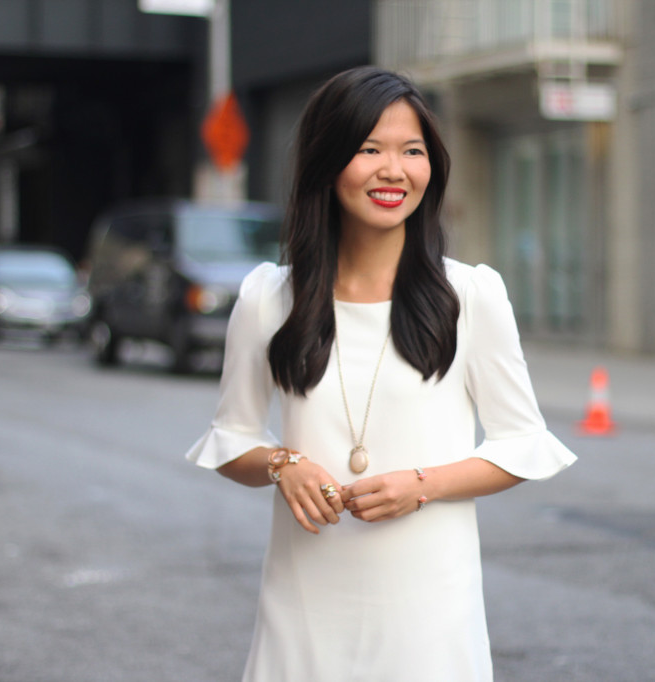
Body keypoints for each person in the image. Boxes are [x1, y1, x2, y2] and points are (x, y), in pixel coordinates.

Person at [185, 66, 577, 681]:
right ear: (327, 161)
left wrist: (422, 483)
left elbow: (522, 446)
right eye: (369, 150)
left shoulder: (468, 294)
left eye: (412, 151)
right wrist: (283, 465)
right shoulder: (268, 297)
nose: (394, 171)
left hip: (429, 608)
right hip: (306, 601)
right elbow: (231, 440)